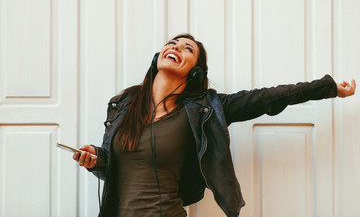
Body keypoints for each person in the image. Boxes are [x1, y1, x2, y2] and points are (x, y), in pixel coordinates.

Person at [73, 33, 356, 217]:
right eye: (172, 43)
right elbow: (116, 169)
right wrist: (95, 160)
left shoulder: (205, 110)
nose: (175, 47)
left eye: (187, 49)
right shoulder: (124, 104)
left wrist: (328, 87)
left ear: (195, 72)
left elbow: (268, 98)